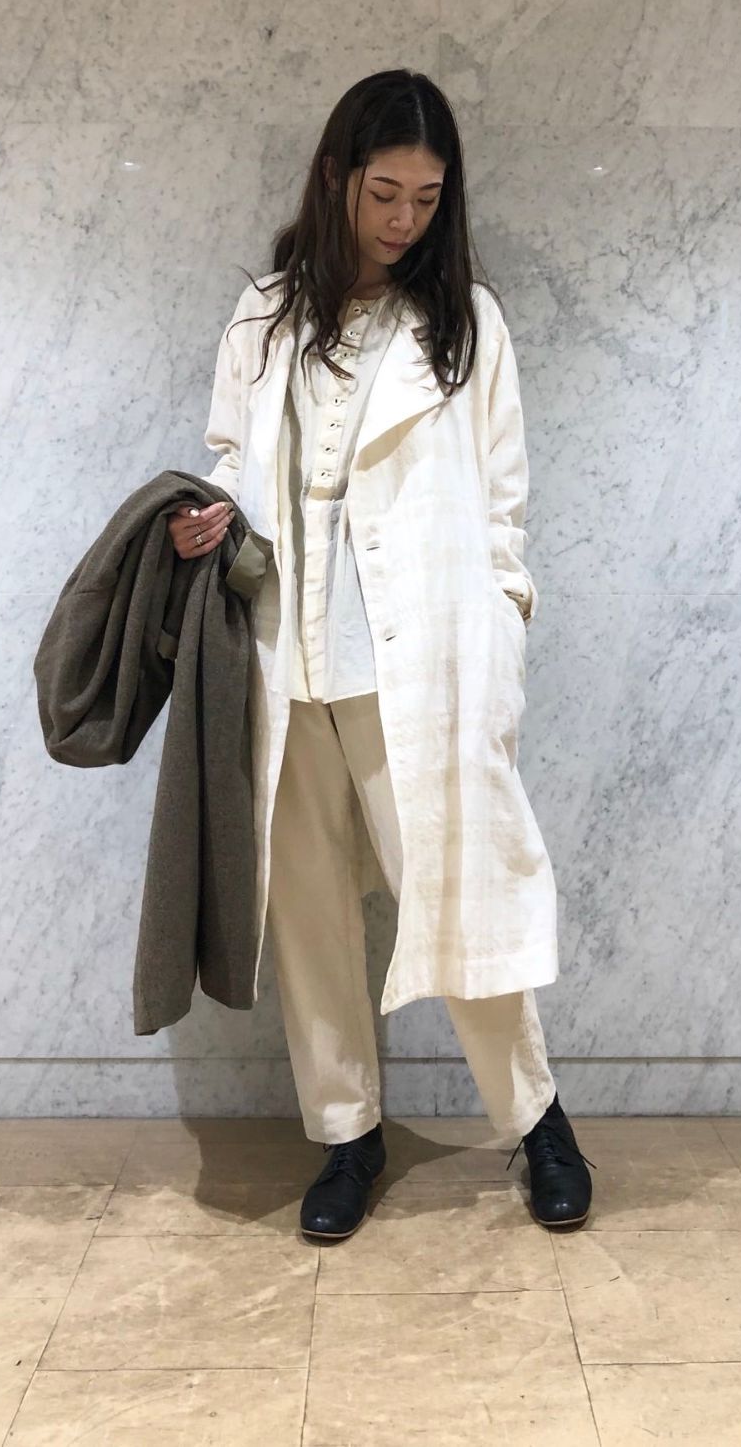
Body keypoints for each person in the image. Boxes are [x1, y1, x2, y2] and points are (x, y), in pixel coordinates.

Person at [169, 69, 594, 1241]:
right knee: (306, 910)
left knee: (452, 893)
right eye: (384, 193)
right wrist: (206, 515)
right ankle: (345, 1134)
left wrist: (500, 633)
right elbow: (227, 454)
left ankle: (536, 1121)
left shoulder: (466, 323)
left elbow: (503, 507)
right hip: (281, 657)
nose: (405, 218)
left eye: (426, 196)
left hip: (412, 665)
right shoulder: (264, 314)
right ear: (335, 180)